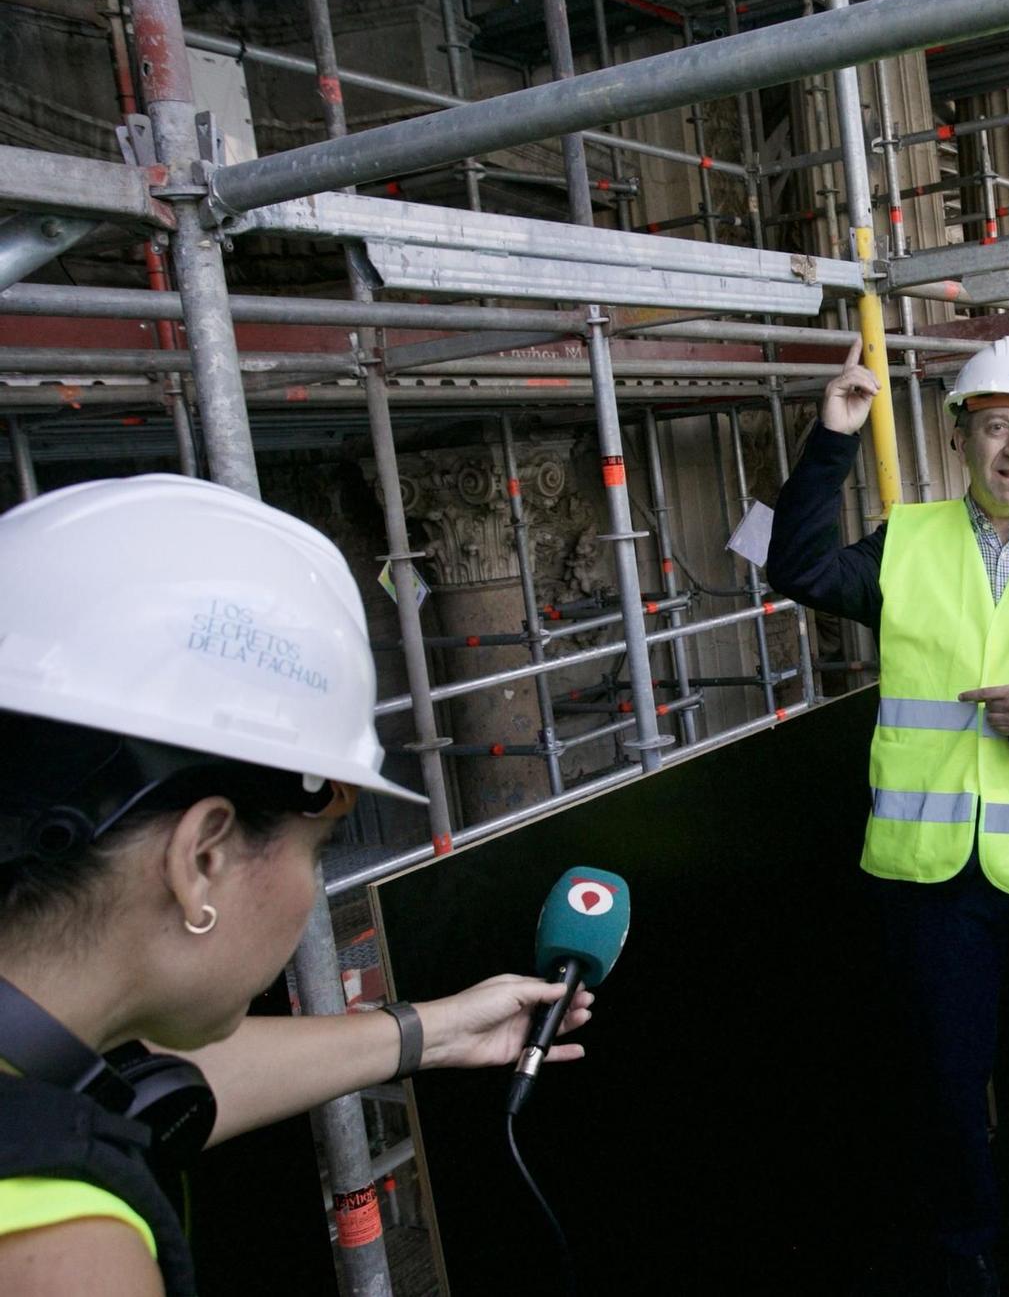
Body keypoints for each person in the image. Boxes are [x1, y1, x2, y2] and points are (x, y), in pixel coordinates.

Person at [0, 475, 593, 1297]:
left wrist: (437, 1030)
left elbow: (147, 1084)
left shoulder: (36, 1062)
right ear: (201, 857)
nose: (313, 891)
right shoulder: (62, 1240)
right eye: (317, 850)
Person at [766, 336, 1009, 1296]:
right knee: (945, 1074)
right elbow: (799, 565)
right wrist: (831, 438)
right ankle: (964, 1240)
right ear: (959, 439)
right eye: (994, 429)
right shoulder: (905, 540)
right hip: (935, 867)